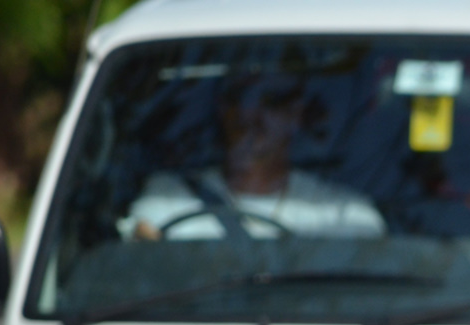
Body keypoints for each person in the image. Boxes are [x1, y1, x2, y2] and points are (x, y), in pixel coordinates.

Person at [119, 75, 384, 242]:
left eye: (271, 101)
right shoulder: (166, 200)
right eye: (238, 98)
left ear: (295, 113)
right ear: (222, 109)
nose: (250, 113)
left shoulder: (344, 217)